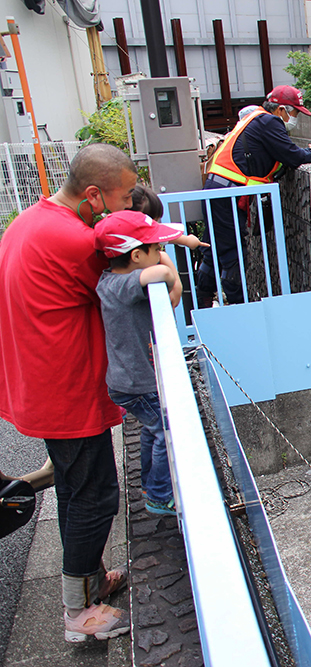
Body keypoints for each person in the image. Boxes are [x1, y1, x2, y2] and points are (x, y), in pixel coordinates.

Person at [0, 142, 137, 642]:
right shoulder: (74, 241)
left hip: (38, 377)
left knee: (77, 487)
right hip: (64, 388)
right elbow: (121, 289)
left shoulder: (32, 221)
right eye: (123, 198)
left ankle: (92, 579)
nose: (126, 208)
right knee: (94, 496)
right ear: (94, 195)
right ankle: (78, 616)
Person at [94, 209, 206, 517]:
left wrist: (164, 258)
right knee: (166, 430)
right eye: (156, 249)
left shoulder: (112, 279)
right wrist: (171, 275)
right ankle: (159, 495)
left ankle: (149, 483)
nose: (161, 254)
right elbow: (160, 275)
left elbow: (158, 278)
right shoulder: (122, 286)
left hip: (130, 381)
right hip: (138, 383)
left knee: (151, 428)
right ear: (136, 256)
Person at [196, 84, 311, 307]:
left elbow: (274, 159)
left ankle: (201, 303)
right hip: (226, 196)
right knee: (234, 255)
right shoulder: (269, 121)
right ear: (281, 109)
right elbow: (291, 155)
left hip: (218, 192)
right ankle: (240, 310)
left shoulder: (255, 120)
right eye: (295, 112)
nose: (295, 117)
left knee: (214, 250)